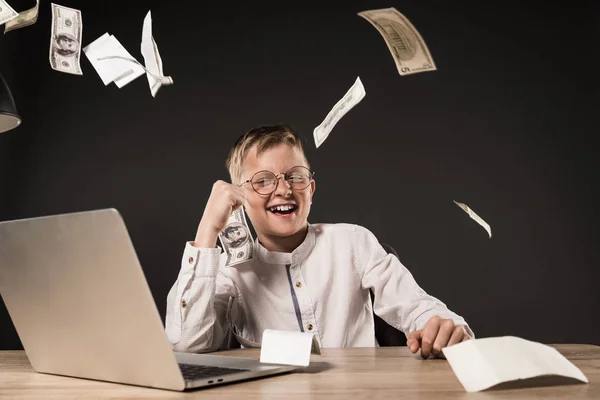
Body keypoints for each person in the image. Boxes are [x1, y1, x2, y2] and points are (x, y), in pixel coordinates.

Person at [166, 124, 474, 358]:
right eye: (262, 181)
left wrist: (442, 325)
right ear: (239, 198)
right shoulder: (228, 272)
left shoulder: (353, 242)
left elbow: (416, 305)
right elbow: (185, 343)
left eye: (295, 176)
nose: (283, 189)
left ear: (310, 190)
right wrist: (207, 231)